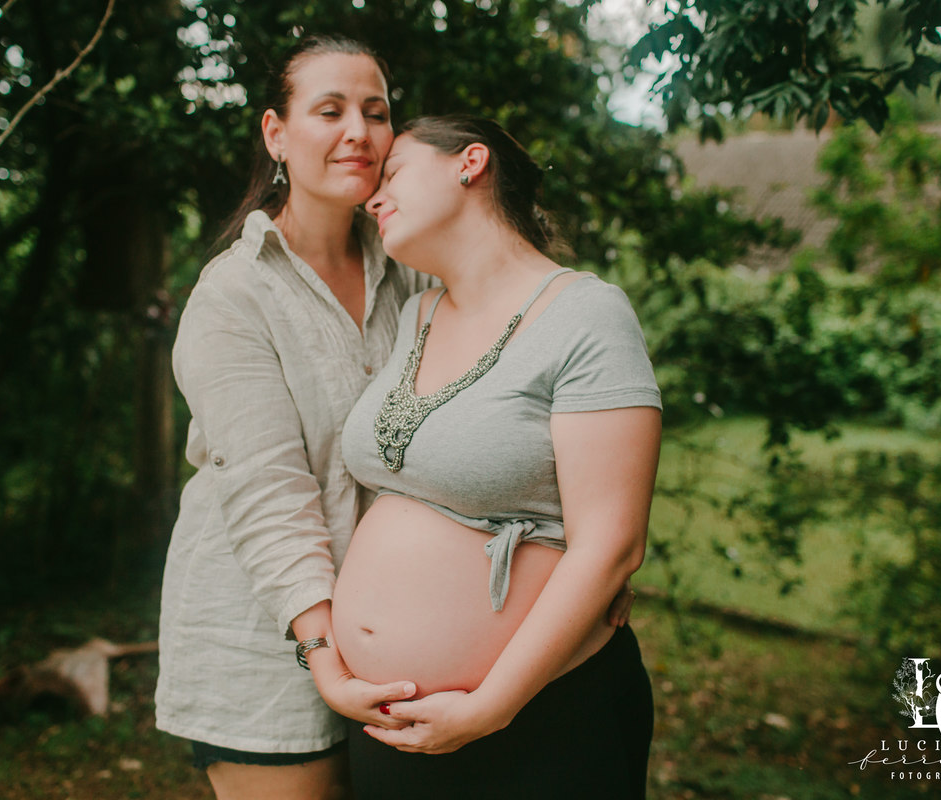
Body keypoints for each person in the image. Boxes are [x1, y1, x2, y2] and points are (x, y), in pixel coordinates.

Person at [325, 115, 663, 799]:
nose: (373, 197)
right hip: (391, 726)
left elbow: (611, 544)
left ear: (469, 163)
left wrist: (490, 707)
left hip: (539, 719)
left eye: (392, 174)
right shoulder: (417, 314)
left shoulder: (585, 314)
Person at [154, 35, 430, 800]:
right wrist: (325, 657)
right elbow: (270, 493)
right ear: (277, 134)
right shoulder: (233, 297)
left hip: (398, 639)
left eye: (376, 113)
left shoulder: (414, 275)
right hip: (266, 642)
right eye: (330, 110)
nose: (359, 133)